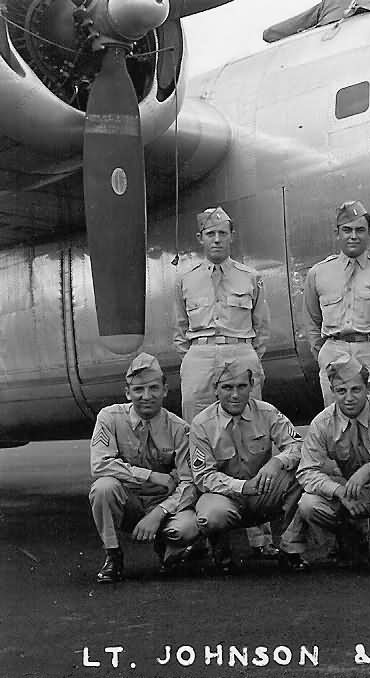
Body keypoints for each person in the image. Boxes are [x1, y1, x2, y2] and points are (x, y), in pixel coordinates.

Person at [173, 205, 276, 557]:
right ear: (200, 239)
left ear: (232, 237)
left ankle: (261, 534)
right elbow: (178, 331)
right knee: (196, 438)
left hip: (240, 348)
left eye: (223, 233)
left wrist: (244, 354)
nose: (217, 239)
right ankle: (202, 531)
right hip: (200, 354)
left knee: (254, 436)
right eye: (210, 234)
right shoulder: (185, 279)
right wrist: (200, 354)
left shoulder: (250, 277)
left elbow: (262, 329)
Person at [285, 353, 370, 572]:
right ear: (332, 392)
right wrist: (338, 491)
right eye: (341, 391)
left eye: (356, 390)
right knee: (309, 503)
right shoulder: (322, 423)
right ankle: (349, 536)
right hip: (349, 493)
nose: (349, 398)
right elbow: (307, 471)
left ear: (368, 388)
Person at [88, 353, 200, 583]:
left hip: (166, 505)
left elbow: (189, 482)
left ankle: (168, 545)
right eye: (138, 390)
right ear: (127, 392)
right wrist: (152, 475)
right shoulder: (110, 418)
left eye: (154, 388)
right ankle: (113, 554)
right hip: (131, 502)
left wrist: (158, 514)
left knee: (187, 528)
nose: (146, 396)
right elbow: (100, 464)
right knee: (103, 487)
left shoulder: (180, 429)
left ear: (165, 390)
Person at [190, 357, 305, 574]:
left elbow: (298, 445)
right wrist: (242, 487)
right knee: (212, 514)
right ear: (215, 389)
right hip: (226, 496)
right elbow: (203, 476)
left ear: (252, 386)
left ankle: (291, 550)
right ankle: (221, 553)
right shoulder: (201, 425)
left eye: (242, 386)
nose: (235, 394)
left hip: (263, 491)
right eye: (227, 387)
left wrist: (276, 462)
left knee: (304, 476)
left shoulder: (267, 412)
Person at [301, 200, 370, 406]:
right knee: (338, 428)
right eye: (347, 230)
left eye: (360, 230)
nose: (353, 236)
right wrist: (325, 354)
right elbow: (311, 321)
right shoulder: (318, 273)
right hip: (335, 354)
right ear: (337, 233)